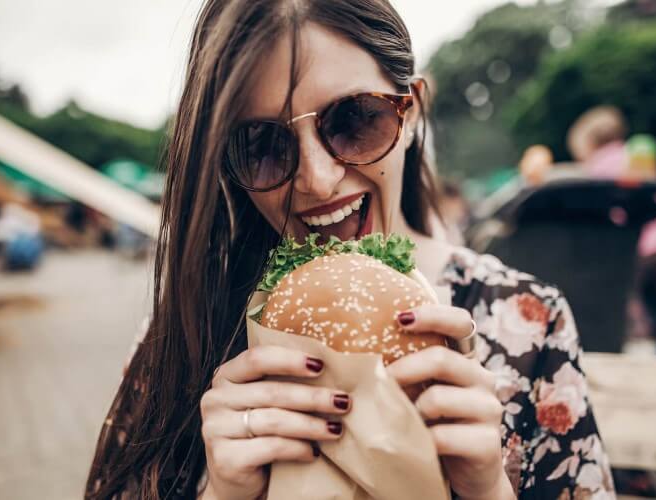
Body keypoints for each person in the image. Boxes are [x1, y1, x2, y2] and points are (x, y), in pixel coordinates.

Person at [86, 2, 613, 499]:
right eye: (263, 146)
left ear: (410, 113)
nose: (318, 179)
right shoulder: (190, 325)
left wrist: (488, 489)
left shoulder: (530, 321)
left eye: (355, 120)